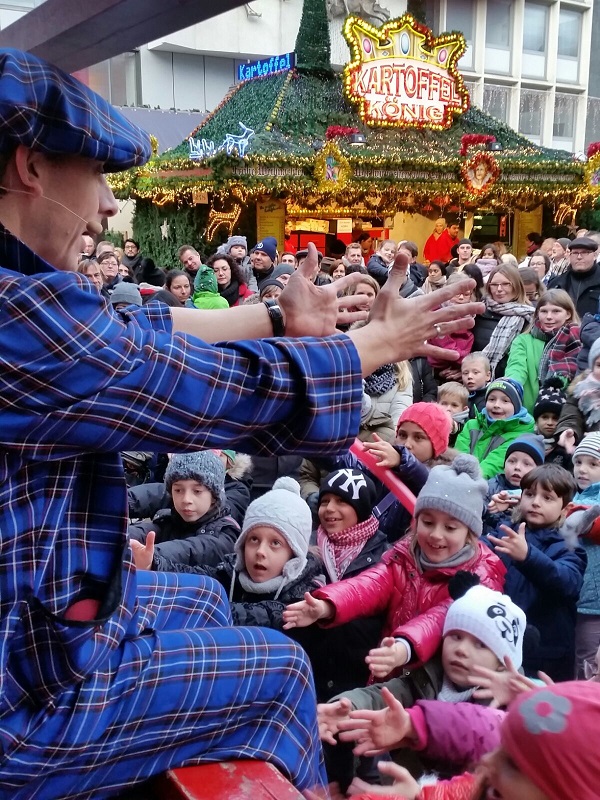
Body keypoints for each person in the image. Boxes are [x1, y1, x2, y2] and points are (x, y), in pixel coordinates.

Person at [0, 48, 484, 799]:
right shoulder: (18, 317)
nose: (103, 205)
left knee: (196, 597)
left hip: (33, 627)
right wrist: (370, 347)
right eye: (98, 176)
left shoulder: (31, 301)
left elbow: (128, 331)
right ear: (31, 166)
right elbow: (168, 380)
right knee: (283, 667)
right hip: (22, 704)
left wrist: (274, 318)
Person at [283, 456, 505, 678]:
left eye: (450, 527)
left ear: (470, 532)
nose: (436, 535)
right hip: (388, 670)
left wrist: (404, 647)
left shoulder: (481, 576)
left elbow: (441, 617)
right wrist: (327, 605)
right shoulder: (404, 557)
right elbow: (367, 586)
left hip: (435, 684)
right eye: (427, 523)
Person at [320, 584, 526, 787]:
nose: (462, 649)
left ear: (502, 664)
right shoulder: (425, 678)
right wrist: (349, 705)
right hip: (402, 785)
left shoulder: (506, 715)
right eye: (456, 636)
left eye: (481, 644)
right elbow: (380, 696)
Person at [333, 680, 600, 800]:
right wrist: (417, 797)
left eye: (515, 765)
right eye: (501, 747)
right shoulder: (486, 787)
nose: (486, 759)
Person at [486, 464, 586, 680]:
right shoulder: (505, 532)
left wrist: (528, 557)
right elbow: (478, 548)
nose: (536, 502)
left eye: (547, 497)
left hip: (545, 655)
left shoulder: (570, 547)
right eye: (529, 494)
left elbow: (567, 582)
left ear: (565, 509)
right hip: (498, 643)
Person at [129, 450, 241, 571]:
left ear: (214, 496)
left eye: (197, 491)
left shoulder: (224, 536)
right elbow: (143, 531)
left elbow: (189, 551)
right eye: (178, 490)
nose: (186, 499)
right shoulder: (172, 520)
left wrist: (148, 556)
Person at [505, 288, 581, 414]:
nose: (549, 317)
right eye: (544, 311)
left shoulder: (578, 340)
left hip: (564, 413)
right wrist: (511, 385)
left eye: (556, 311)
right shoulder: (523, 340)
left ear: (568, 314)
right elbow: (516, 367)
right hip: (527, 413)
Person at [455, 378, 535, 479]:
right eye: (492, 399)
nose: (496, 405)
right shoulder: (471, 425)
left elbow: (494, 464)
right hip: (460, 479)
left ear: (516, 406)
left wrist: (469, 481)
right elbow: (459, 454)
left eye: (505, 401)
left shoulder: (520, 435)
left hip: (492, 487)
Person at [473, 264, 533, 379]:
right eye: (494, 285)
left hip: (510, 383)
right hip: (475, 382)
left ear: (516, 286)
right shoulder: (478, 312)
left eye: (506, 284)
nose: (499, 289)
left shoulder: (529, 317)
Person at [556, 338, 600, 449]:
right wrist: (569, 431)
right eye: (599, 365)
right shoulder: (580, 391)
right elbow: (571, 416)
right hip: (588, 455)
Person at [548, 236, 600, 318]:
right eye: (575, 253)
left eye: (585, 252)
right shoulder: (557, 283)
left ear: (595, 255)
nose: (579, 257)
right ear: (569, 255)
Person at [461, 351, 491, 418]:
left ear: (488, 376)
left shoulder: (491, 398)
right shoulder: (459, 396)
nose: (469, 376)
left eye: (475, 372)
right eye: (465, 373)